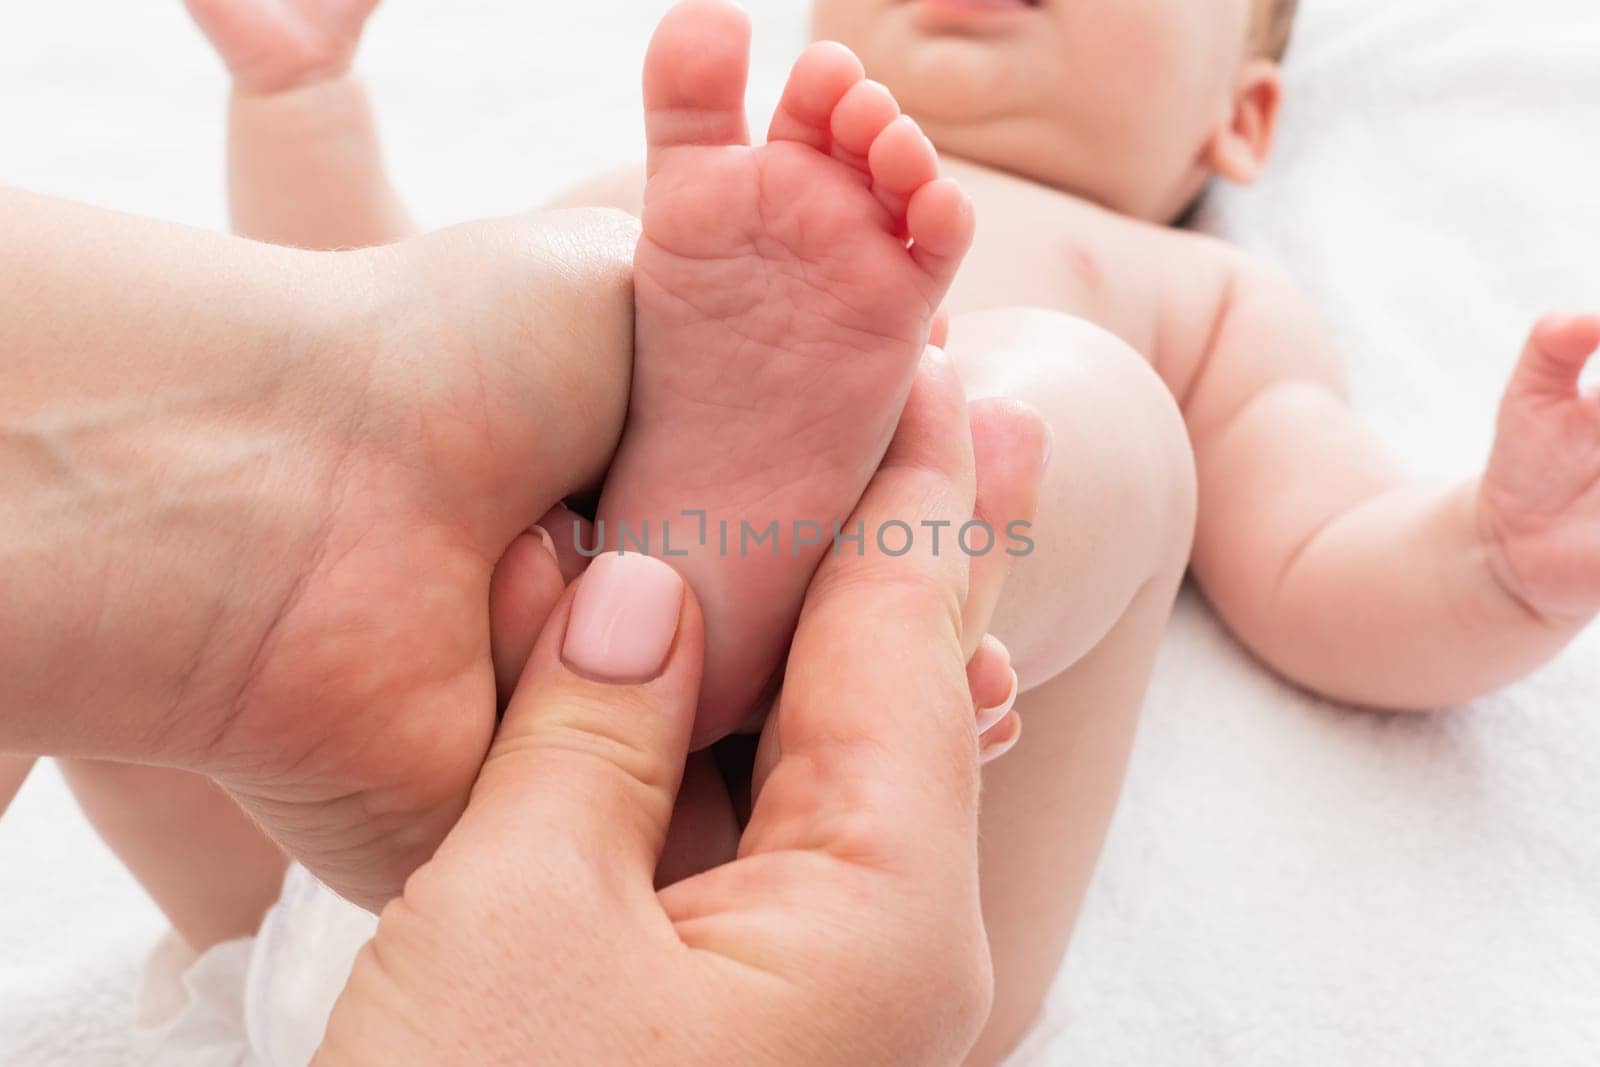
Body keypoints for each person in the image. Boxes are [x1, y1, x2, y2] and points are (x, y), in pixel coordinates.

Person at [0, 160, 1048, 1067]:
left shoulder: (1188, 277)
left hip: (312, 899)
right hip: (755, 982)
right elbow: (355, 271)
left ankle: (260, 568)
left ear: (1223, 116)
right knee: (1067, 417)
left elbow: (1231, 415)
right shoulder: (681, 203)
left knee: (144, 623)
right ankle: (795, 606)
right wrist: (301, 102)